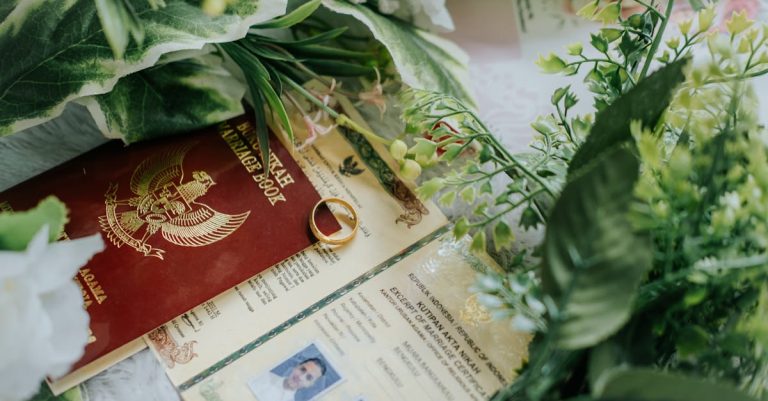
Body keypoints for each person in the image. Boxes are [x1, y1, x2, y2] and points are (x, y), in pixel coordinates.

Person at [249, 358, 327, 401]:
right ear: (296, 367)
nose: (300, 377)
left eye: (309, 378)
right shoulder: (262, 376)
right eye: (302, 369)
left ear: (310, 385)